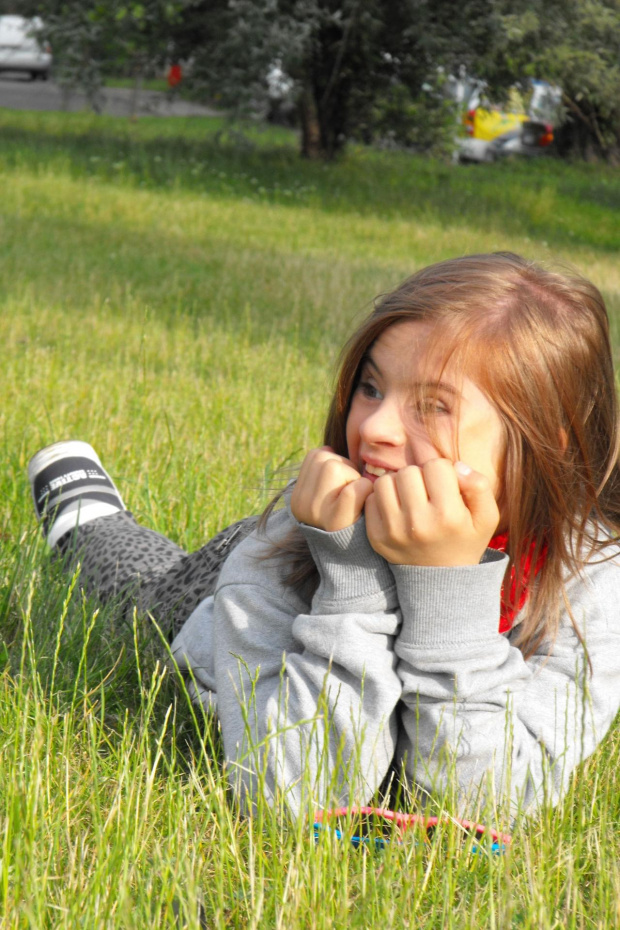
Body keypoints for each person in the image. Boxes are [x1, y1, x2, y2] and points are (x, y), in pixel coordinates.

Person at [28, 252, 620, 820]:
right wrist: (351, 576)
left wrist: (447, 590)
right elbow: (292, 794)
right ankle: (90, 515)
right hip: (244, 580)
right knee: (139, 594)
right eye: (371, 388)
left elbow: (482, 804)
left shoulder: (592, 588)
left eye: (433, 407)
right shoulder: (294, 534)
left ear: (550, 435)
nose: (375, 428)